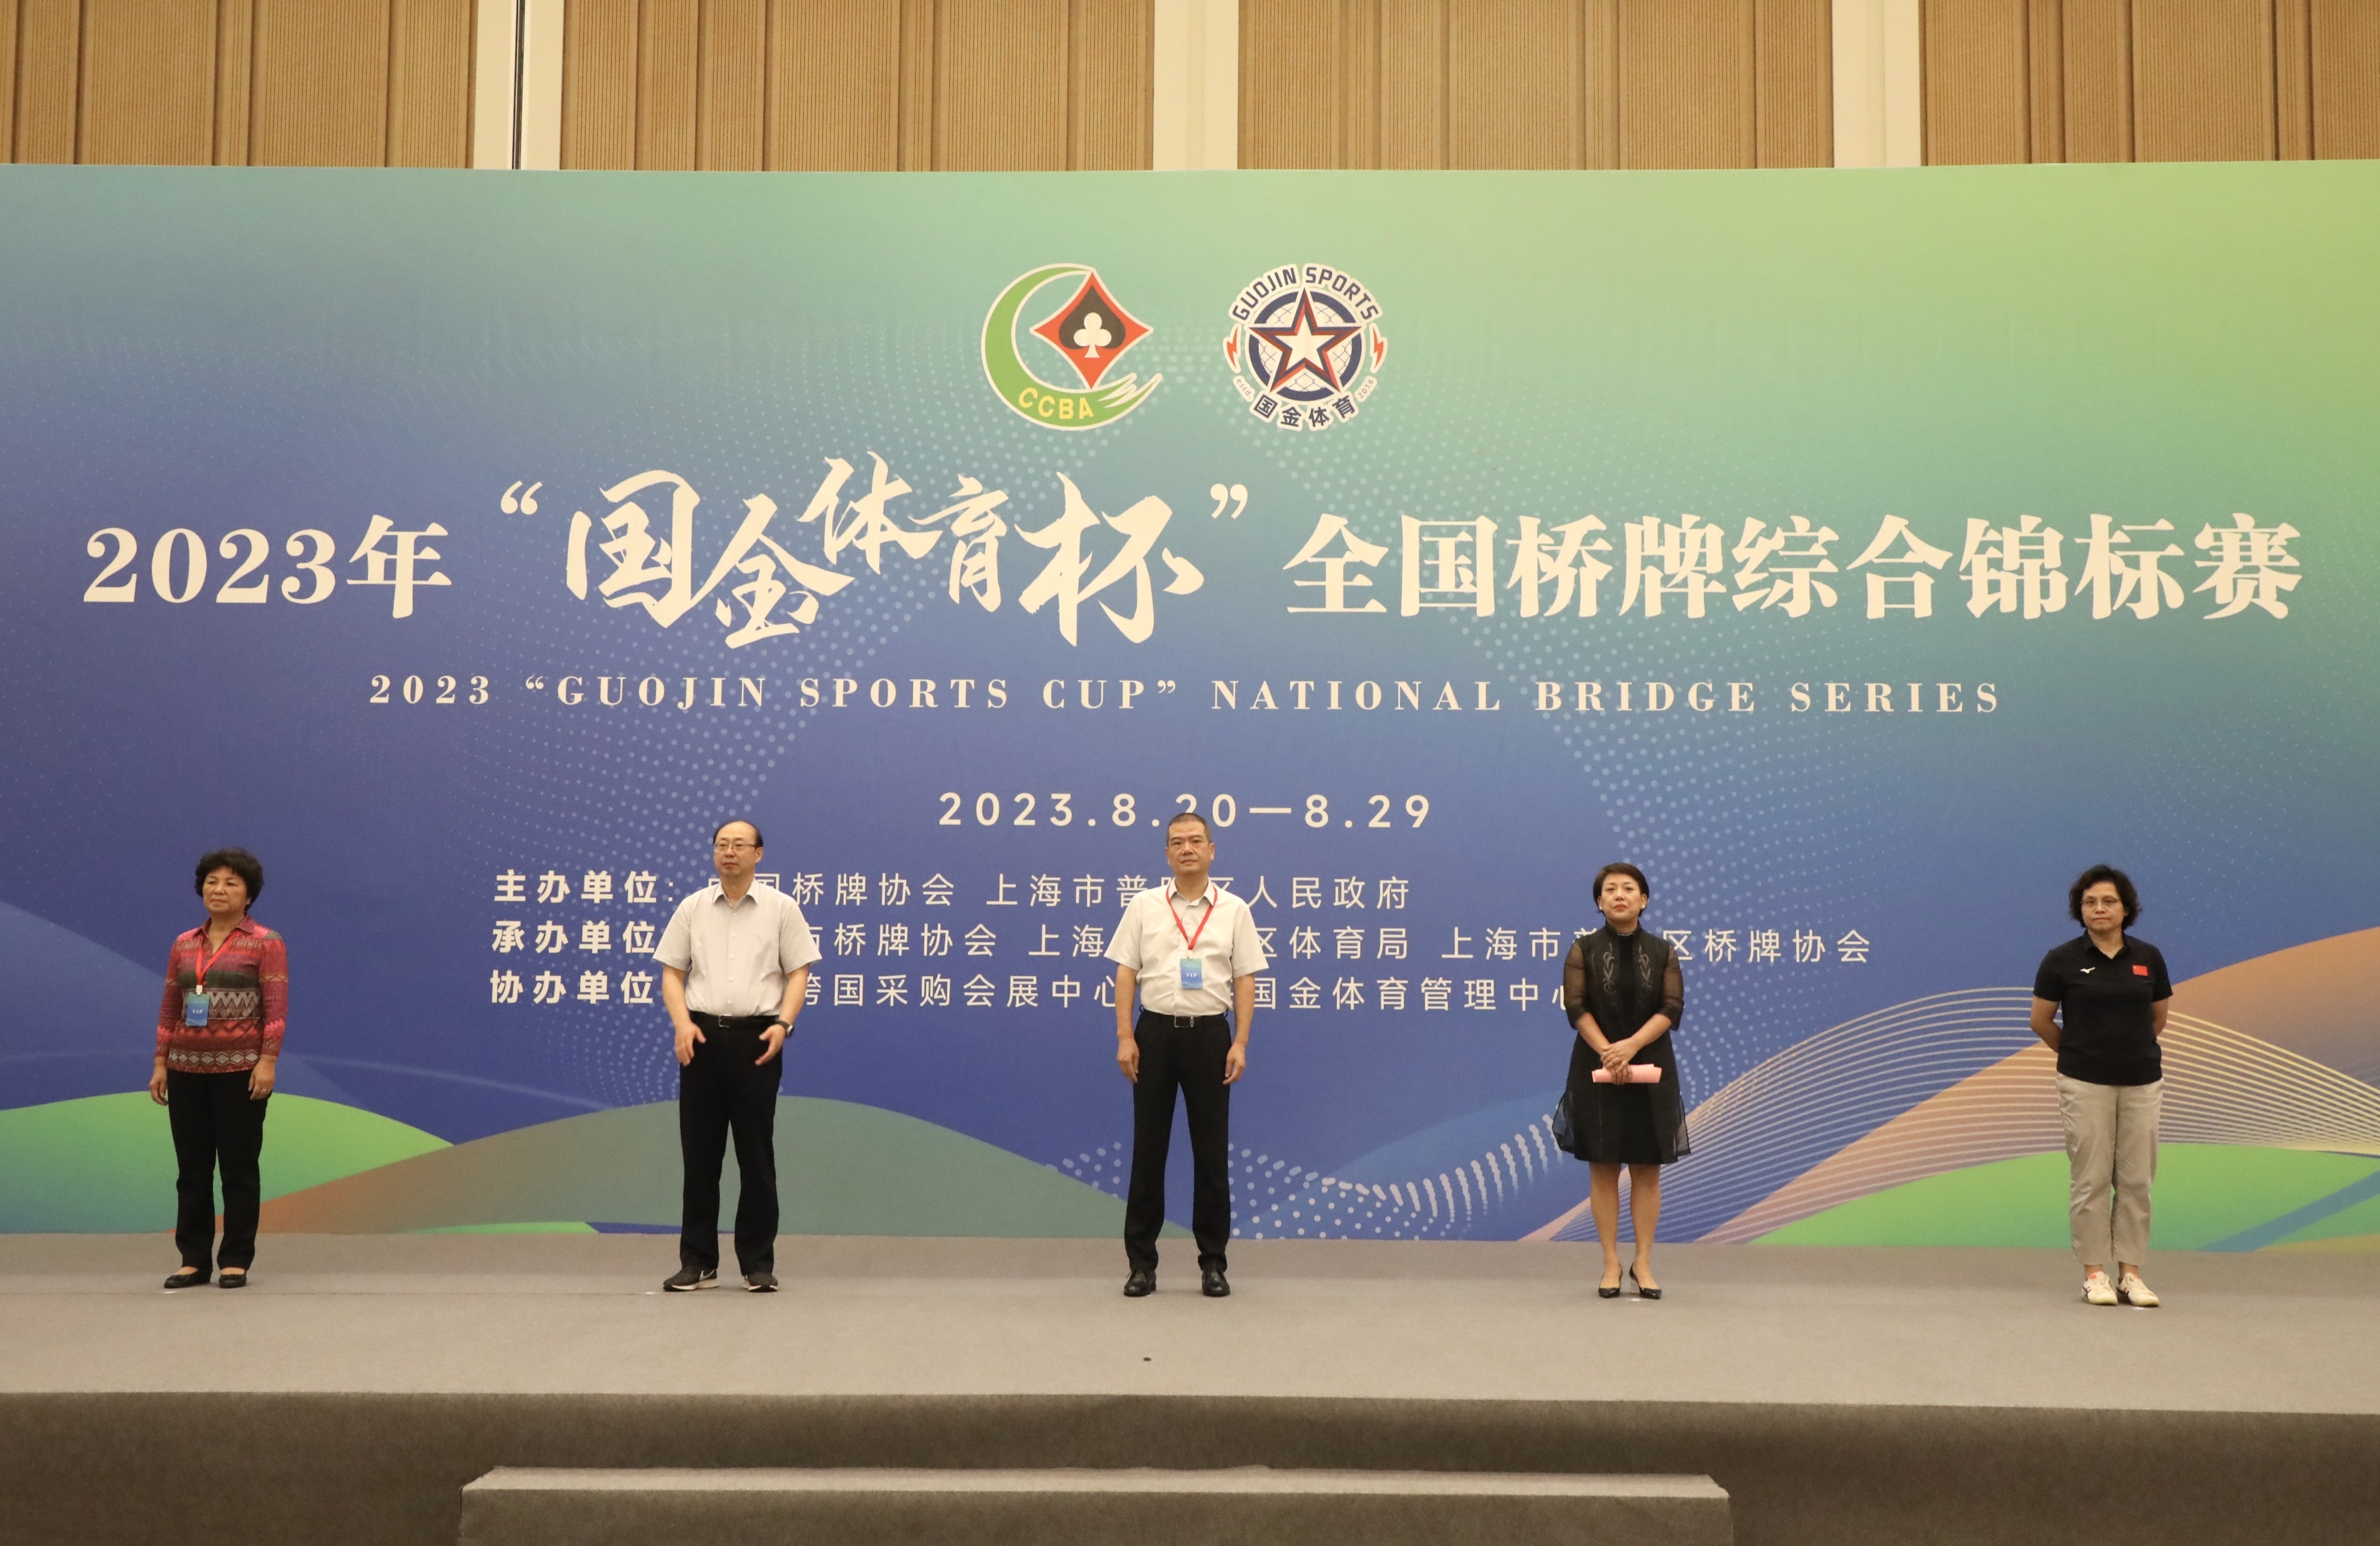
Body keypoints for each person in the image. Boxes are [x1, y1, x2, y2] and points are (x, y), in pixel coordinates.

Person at [1105, 812, 1267, 1298]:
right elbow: (1126, 972)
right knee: (1148, 1153)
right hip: (1154, 1034)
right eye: (1177, 842)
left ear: (1211, 851)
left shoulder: (1234, 909)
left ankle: (1213, 1264)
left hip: (1209, 1037)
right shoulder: (1144, 905)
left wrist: (1240, 1042)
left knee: (1210, 1156)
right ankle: (1141, 1265)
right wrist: (1125, 1037)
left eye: (1196, 841)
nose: (1187, 849)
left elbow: (1244, 979)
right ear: (1167, 854)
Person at [652, 819, 818, 1293]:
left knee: (755, 1156)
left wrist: (783, 1025)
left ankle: (757, 1263)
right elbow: (672, 973)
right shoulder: (692, 908)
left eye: (739, 845)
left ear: (758, 854)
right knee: (700, 1157)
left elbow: (799, 972)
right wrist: (683, 1024)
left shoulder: (782, 908)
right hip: (701, 1040)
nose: (729, 852)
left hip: (756, 1041)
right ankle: (698, 1261)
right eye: (722, 845)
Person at [2030, 864, 2169, 1308]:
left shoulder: (2148, 957)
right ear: (2080, 910)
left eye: (2108, 901)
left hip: (2141, 1083)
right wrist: (2079, 1055)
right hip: (2084, 1083)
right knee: (2090, 1179)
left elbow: (2157, 1018)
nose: (2099, 909)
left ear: (2126, 908)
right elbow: (2040, 1020)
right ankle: (2094, 1275)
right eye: (2089, 902)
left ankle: (2130, 1275)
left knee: (2135, 1180)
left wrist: (2125, 1051)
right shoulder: (2061, 960)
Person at [150, 848, 287, 1289]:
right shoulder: (184, 943)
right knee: (191, 1171)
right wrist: (160, 1062)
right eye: (212, 881)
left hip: (240, 1072)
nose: (219, 890)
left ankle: (235, 1260)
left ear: (249, 895)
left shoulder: (266, 942)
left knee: (238, 1169)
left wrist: (267, 1062)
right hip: (185, 1070)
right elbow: (170, 1005)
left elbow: (276, 1009)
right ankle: (193, 1260)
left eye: (231, 883)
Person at [1561, 862, 1687, 1299]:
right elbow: (1576, 1008)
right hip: (1597, 1068)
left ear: (1643, 900)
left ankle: (1643, 1263)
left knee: (1646, 1169)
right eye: (1610, 889)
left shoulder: (1663, 950)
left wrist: (1630, 1047)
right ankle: (1611, 1263)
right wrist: (1608, 1052)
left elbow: (1670, 1007)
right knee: (1603, 1168)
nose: (1619, 895)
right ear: (1599, 902)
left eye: (1628, 889)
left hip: (1650, 1066)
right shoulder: (1582, 950)